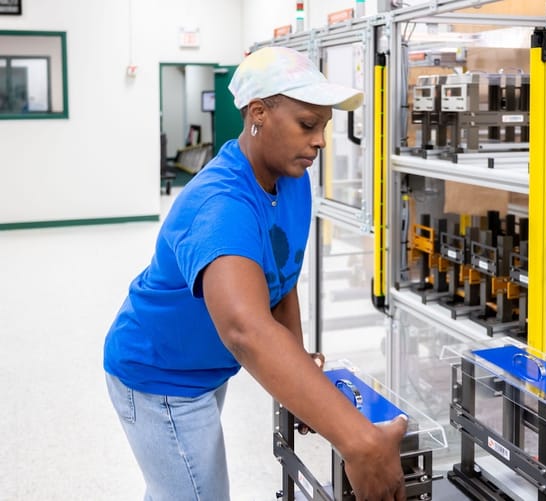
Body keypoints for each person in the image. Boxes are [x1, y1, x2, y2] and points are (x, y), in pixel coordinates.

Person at [103, 46, 408, 501]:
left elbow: (280, 280)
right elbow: (245, 328)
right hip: (160, 375)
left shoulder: (291, 181)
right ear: (259, 113)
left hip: (204, 365)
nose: (320, 141)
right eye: (308, 125)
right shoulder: (220, 206)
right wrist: (361, 444)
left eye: (324, 126)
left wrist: (300, 369)